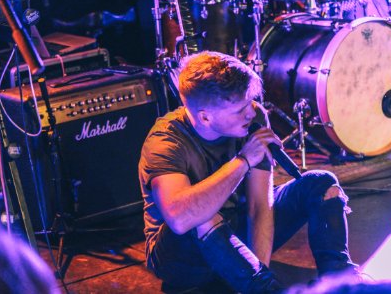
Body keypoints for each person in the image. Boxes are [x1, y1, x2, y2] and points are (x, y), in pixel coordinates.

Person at [138, 51, 357, 293]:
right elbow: (180, 219)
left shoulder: (253, 118)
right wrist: (243, 161)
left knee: (320, 183)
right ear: (205, 117)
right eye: (239, 109)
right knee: (201, 214)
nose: (251, 113)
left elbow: (259, 206)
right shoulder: (165, 142)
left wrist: (256, 271)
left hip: (236, 234)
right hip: (182, 259)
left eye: (250, 102)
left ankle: (342, 282)